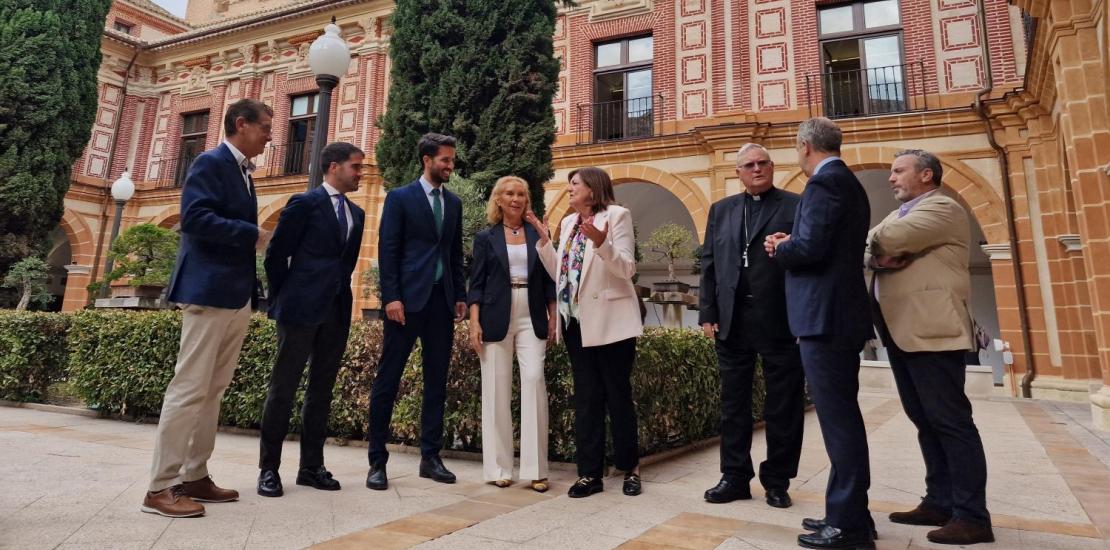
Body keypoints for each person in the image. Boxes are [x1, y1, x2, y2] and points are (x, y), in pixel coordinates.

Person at [143, 99, 273, 518]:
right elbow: (195, 218)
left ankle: (196, 474)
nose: (272, 135)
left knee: (213, 390)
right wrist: (251, 233)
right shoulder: (210, 162)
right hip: (207, 291)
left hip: (234, 295)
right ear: (241, 124)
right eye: (266, 127)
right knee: (188, 389)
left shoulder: (243, 173)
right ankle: (160, 487)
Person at [866, 149, 993, 545]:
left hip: (933, 330)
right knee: (925, 420)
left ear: (926, 175)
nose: (891, 178)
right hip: (904, 330)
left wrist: (875, 246)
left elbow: (886, 239)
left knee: (952, 423)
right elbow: (872, 255)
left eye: (898, 171)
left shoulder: (944, 208)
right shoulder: (899, 212)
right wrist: (878, 255)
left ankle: (972, 516)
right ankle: (939, 500)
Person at [765, 117, 875, 549]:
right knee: (840, 419)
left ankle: (847, 526)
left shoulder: (823, 184)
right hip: (837, 316)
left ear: (805, 146)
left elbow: (809, 250)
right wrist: (796, 239)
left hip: (826, 319)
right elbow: (823, 244)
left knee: (839, 422)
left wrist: (780, 247)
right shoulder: (845, 181)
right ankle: (848, 515)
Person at [525, 167, 643, 498]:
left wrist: (603, 243)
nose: (570, 189)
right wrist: (545, 240)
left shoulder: (617, 216)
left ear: (593, 188)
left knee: (617, 396)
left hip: (612, 322)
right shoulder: (568, 223)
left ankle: (629, 468)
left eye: (575, 184)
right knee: (588, 399)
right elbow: (562, 274)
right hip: (577, 323)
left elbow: (627, 269)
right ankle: (589, 474)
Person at [256, 142, 366, 498]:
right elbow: (276, 254)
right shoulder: (304, 203)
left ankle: (310, 467)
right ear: (333, 167)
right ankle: (268, 470)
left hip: (336, 311)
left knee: (322, 390)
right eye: (355, 167)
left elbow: (344, 263)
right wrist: (282, 296)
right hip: (299, 308)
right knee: (283, 389)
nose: (360, 173)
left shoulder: (358, 214)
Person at [699, 143, 805, 509]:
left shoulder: (795, 205)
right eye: (749, 165)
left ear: (772, 167)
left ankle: (777, 480)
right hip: (732, 319)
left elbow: (805, 263)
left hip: (780, 319)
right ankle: (734, 476)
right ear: (738, 172)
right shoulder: (721, 210)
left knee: (783, 406)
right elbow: (709, 264)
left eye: (762, 163)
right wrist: (707, 312)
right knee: (733, 404)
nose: (756, 169)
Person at [366, 133, 466, 490]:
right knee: (387, 381)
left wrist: (460, 294)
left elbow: (454, 253)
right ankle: (377, 462)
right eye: (445, 160)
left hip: (441, 302)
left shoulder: (453, 203)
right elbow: (387, 250)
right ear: (427, 160)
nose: (450, 165)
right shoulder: (400, 198)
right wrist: (391, 296)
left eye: (452, 160)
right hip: (405, 304)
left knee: (436, 382)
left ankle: (431, 457)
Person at [468, 176, 557, 493]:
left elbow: (550, 279)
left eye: (521, 193)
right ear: (499, 200)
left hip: (531, 312)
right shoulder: (485, 237)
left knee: (534, 380)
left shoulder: (538, 234)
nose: (516, 198)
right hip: (493, 314)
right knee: (496, 388)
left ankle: (536, 470)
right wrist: (473, 321)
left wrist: (553, 315)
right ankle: (499, 468)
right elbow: (475, 284)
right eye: (510, 193)